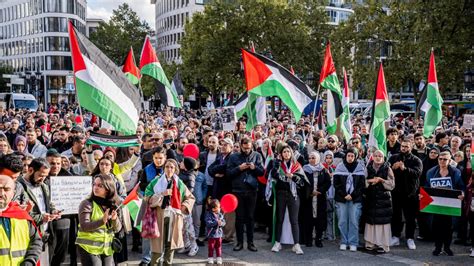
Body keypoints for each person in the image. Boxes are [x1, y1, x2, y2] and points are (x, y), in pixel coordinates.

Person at [145, 159, 195, 265]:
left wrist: (183, 207)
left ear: (175, 169)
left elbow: (190, 197)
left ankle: (168, 263)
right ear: (164, 169)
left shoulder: (179, 183)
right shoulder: (156, 182)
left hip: (174, 216)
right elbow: (147, 196)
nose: (169, 169)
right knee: (157, 246)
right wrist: (161, 194)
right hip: (159, 215)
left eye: (172, 167)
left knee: (171, 244)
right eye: (167, 167)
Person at [226, 136, 264, 252]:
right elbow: (228, 173)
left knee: (250, 217)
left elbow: (262, 172)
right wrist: (239, 168)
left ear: (251, 146)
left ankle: (251, 243)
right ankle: (239, 243)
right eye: (245, 148)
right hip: (238, 191)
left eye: (249, 148)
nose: (247, 150)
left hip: (252, 191)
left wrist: (254, 168)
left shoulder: (257, 155)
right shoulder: (233, 157)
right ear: (241, 146)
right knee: (239, 218)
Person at [76, 174, 122, 265]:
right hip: (88, 248)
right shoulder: (86, 203)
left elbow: (117, 229)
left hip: (107, 249)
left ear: (108, 189)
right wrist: (102, 221)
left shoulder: (113, 205)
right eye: (94, 184)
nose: (95, 187)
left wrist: (115, 219)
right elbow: (84, 226)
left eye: (100, 186)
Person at [425, 151, 465, 256]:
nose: (442, 161)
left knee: (449, 227)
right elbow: (426, 187)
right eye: (440, 159)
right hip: (437, 204)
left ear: (450, 160)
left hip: (451, 204)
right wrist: (423, 196)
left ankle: (447, 247)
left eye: (445, 159)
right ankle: (438, 247)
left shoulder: (456, 172)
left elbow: (461, 187)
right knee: (437, 226)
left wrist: (462, 194)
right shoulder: (430, 172)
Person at [270, 145, 307, 254]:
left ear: (291, 153)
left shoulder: (297, 165)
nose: (286, 153)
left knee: (294, 220)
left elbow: (302, 182)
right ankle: (277, 243)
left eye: (288, 151)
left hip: (293, 194)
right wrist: (276, 164)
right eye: (284, 152)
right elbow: (274, 175)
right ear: (281, 154)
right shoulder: (278, 164)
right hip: (281, 194)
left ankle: (296, 244)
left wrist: (293, 177)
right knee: (280, 219)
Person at [0, 174, 42, 266]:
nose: (1, 193)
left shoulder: (22, 216)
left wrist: (30, 261)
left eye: (6, 189)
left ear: (13, 192)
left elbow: (36, 242)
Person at [389, 140, 423, 250]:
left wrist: (405, 169)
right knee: (396, 216)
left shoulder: (416, 160)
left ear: (411, 147)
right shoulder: (393, 157)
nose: (404, 148)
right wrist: (391, 169)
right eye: (402, 146)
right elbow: (386, 171)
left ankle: (410, 238)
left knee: (410, 218)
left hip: (410, 194)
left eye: (406, 147)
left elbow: (417, 173)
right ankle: (395, 236)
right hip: (396, 193)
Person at [333, 148, 366, 251]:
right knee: (342, 220)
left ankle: (353, 242)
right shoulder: (340, 167)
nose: (350, 158)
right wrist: (344, 194)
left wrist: (352, 195)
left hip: (355, 199)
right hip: (341, 198)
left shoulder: (360, 168)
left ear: (355, 157)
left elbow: (361, 185)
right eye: (348, 156)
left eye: (352, 156)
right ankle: (344, 241)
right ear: (345, 156)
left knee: (354, 220)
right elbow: (336, 184)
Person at [364, 150, 395, 253]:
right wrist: (370, 181)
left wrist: (381, 180)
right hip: (371, 198)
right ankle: (370, 243)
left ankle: (382, 245)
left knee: (383, 222)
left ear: (383, 157)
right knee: (371, 221)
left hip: (384, 200)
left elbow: (391, 185)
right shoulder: (368, 168)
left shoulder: (388, 168)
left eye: (380, 156)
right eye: (376, 156)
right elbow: (362, 182)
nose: (377, 158)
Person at [302, 152, 331, 248]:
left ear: (318, 158)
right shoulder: (305, 169)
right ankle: (308, 240)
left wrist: (320, 190)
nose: (311, 160)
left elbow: (328, 182)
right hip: (308, 198)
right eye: (309, 158)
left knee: (320, 220)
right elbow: (302, 183)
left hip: (320, 198)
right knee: (308, 219)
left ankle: (318, 239)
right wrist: (310, 192)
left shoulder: (323, 170)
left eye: (313, 158)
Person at [205, 199, 226, 265]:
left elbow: (224, 222)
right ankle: (210, 257)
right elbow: (208, 223)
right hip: (211, 235)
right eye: (218, 207)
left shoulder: (220, 215)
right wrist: (216, 222)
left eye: (219, 207)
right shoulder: (208, 215)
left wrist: (221, 223)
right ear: (213, 209)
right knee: (211, 247)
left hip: (219, 234)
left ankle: (219, 257)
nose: (220, 208)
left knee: (218, 247)